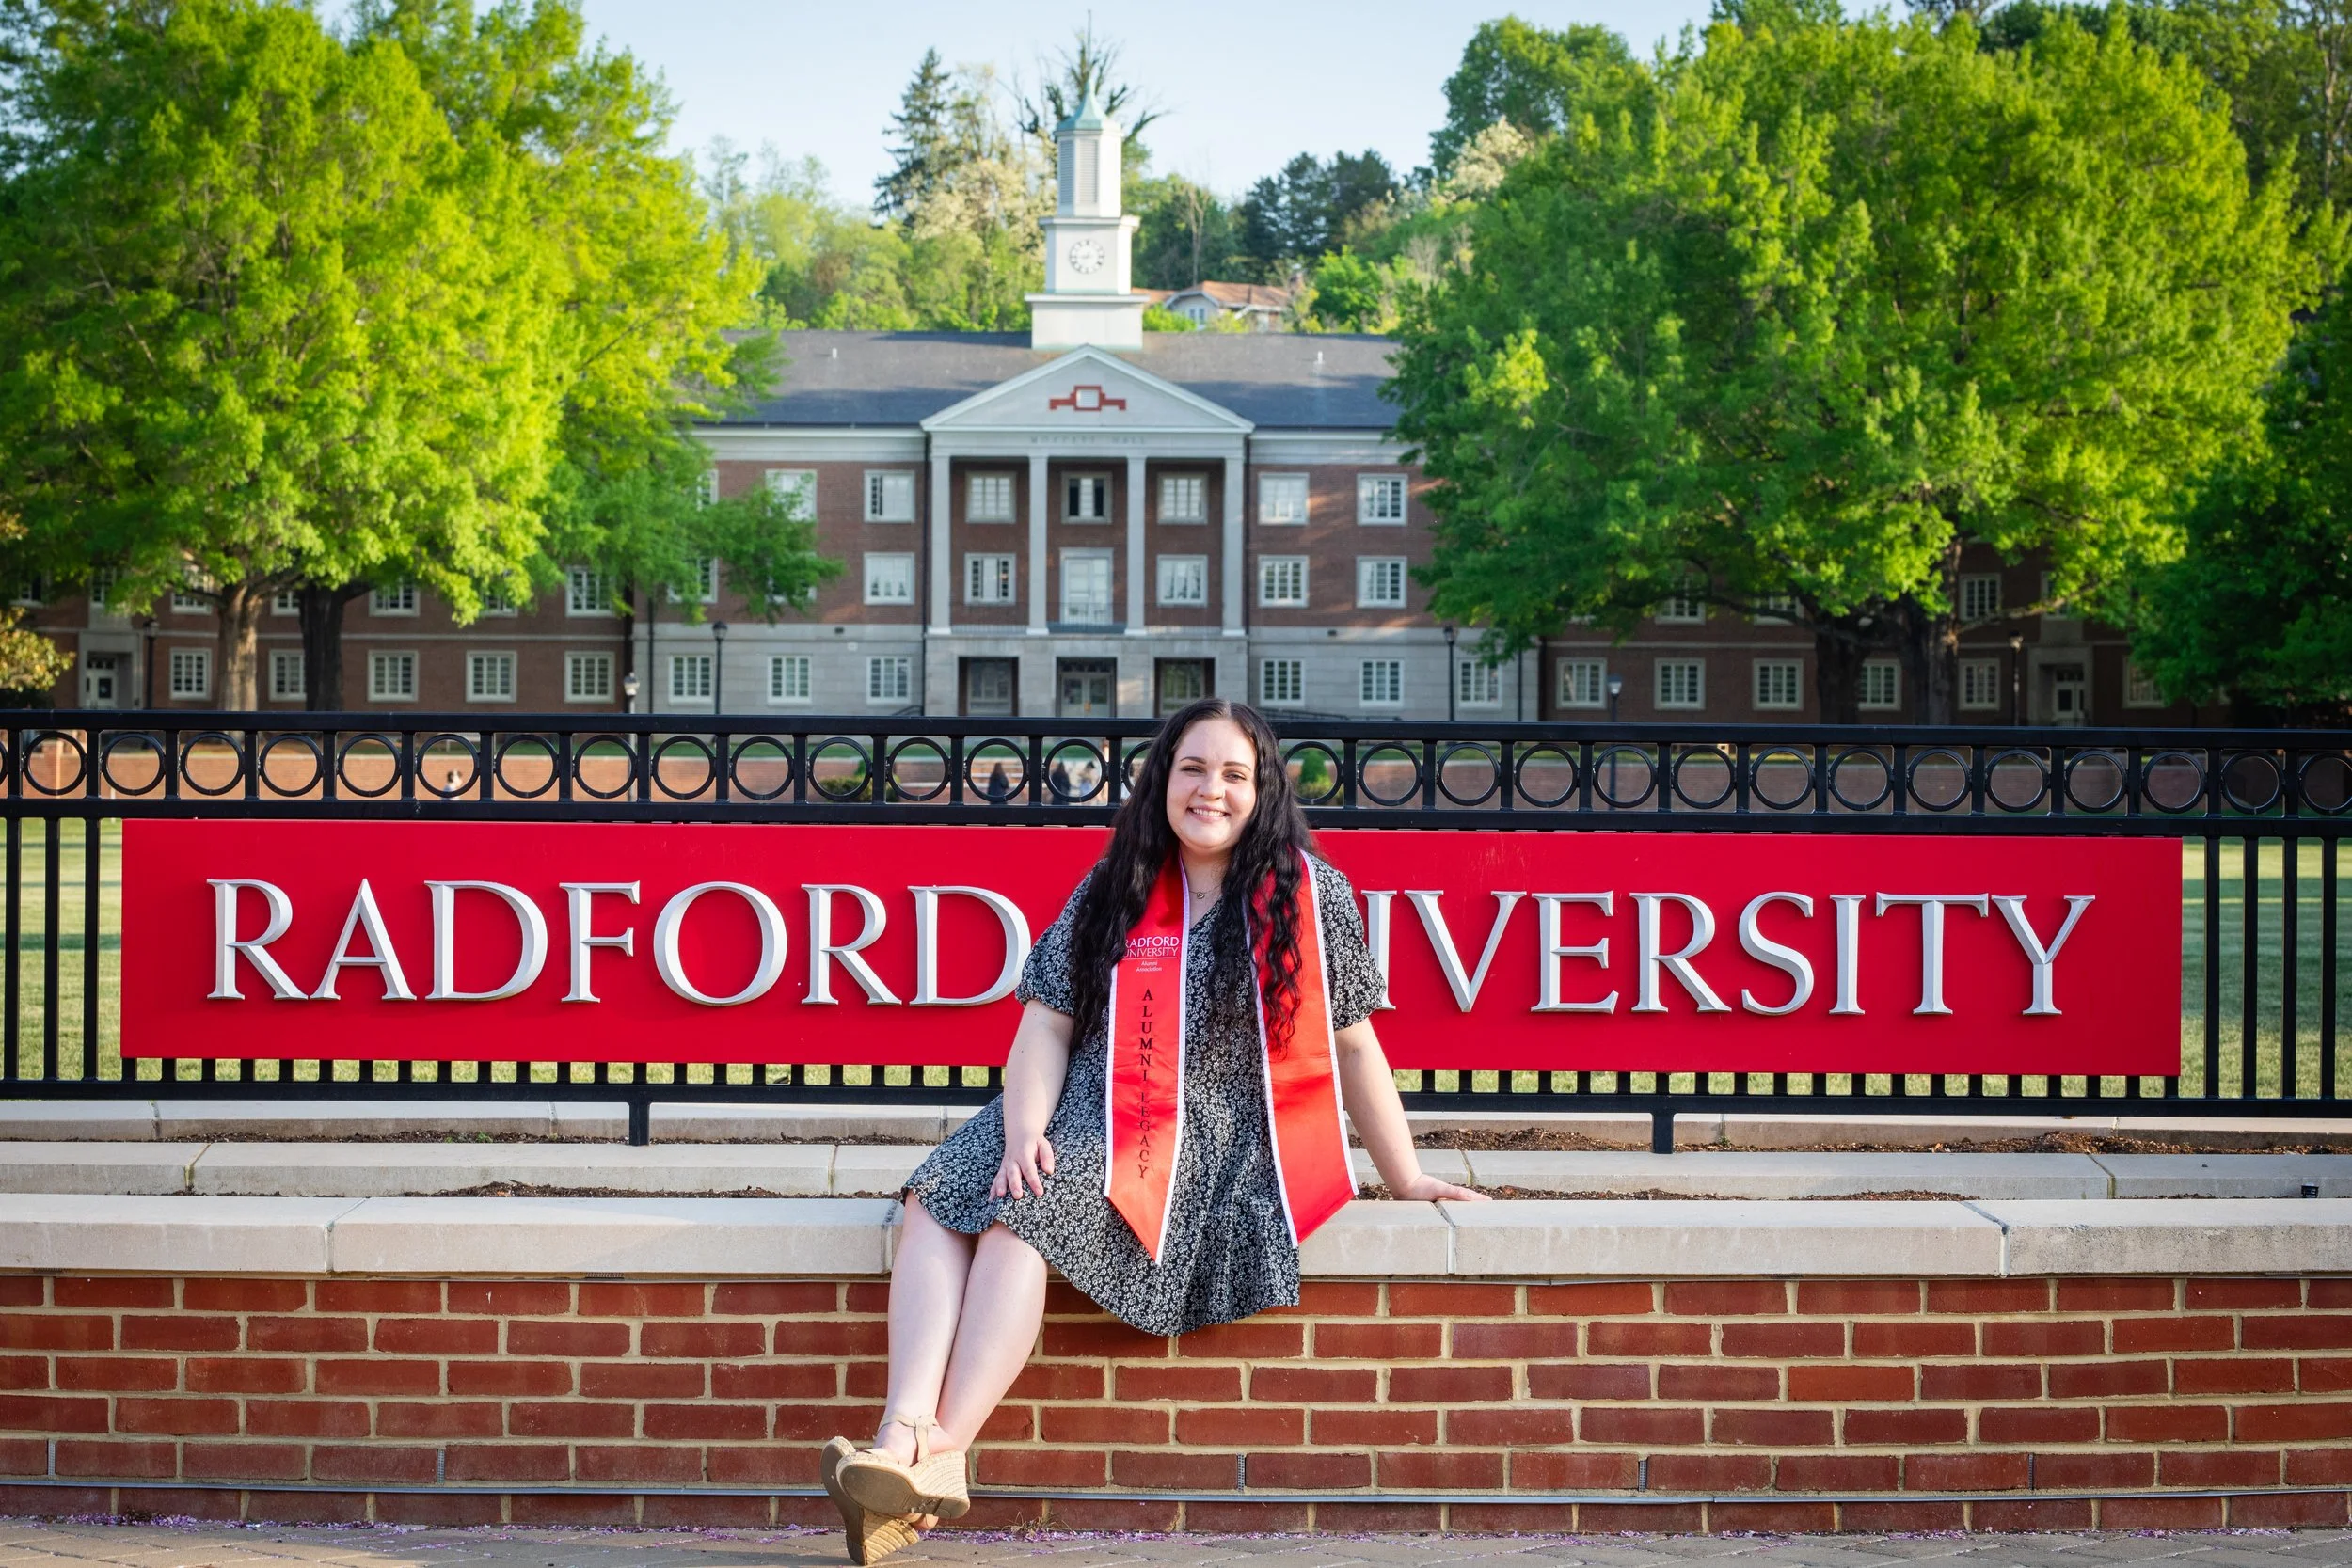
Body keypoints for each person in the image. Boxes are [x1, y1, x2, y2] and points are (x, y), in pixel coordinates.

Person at [818, 697, 1485, 1563]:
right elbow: (1045, 1025)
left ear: (1265, 789)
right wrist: (1023, 1130)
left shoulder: (1309, 897)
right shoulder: (1118, 881)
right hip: (1075, 1106)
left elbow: (1355, 1045)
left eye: (1234, 774)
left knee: (1026, 1217)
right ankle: (898, 1435)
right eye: (1193, 769)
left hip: (1196, 1136)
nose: (1211, 789)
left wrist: (1408, 1178)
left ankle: (940, 1449)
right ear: (1162, 780)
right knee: (940, 1197)